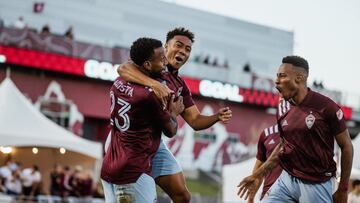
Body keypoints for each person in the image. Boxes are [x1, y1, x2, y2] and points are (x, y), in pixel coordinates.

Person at [116, 27, 232, 203]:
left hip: (155, 144)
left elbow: (195, 120)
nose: (183, 51)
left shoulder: (179, 85)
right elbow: (123, 68)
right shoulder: (150, 66)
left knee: (182, 196)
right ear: (166, 47)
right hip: (130, 143)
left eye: (187, 49)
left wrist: (216, 116)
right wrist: (154, 85)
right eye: (178, 45)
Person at [237, 55, 353, 203]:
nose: (276, 81)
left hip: (316, 183)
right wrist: (258, 174)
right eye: (276, 76)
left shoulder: (327, 107)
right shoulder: (282, 107)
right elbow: (284, 145)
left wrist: (343, 189)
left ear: (299, 78)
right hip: (287, 179)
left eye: (282, 76)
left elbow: (347, 146)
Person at [101, 37, 184, 203]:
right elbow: (171, 130)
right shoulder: (150, 95)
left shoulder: (119, 82)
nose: (165, 61)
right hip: (133, 169)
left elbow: (124, 67)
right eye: (161, 59)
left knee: (183, 195)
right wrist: (174, 112)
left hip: (113, 159)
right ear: (146, 65)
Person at [248, 123, 283, 203]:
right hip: (270, 192)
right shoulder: (267, 133)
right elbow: (257, 170)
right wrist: (250, 198)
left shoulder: (302, 132)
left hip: (297, 193)